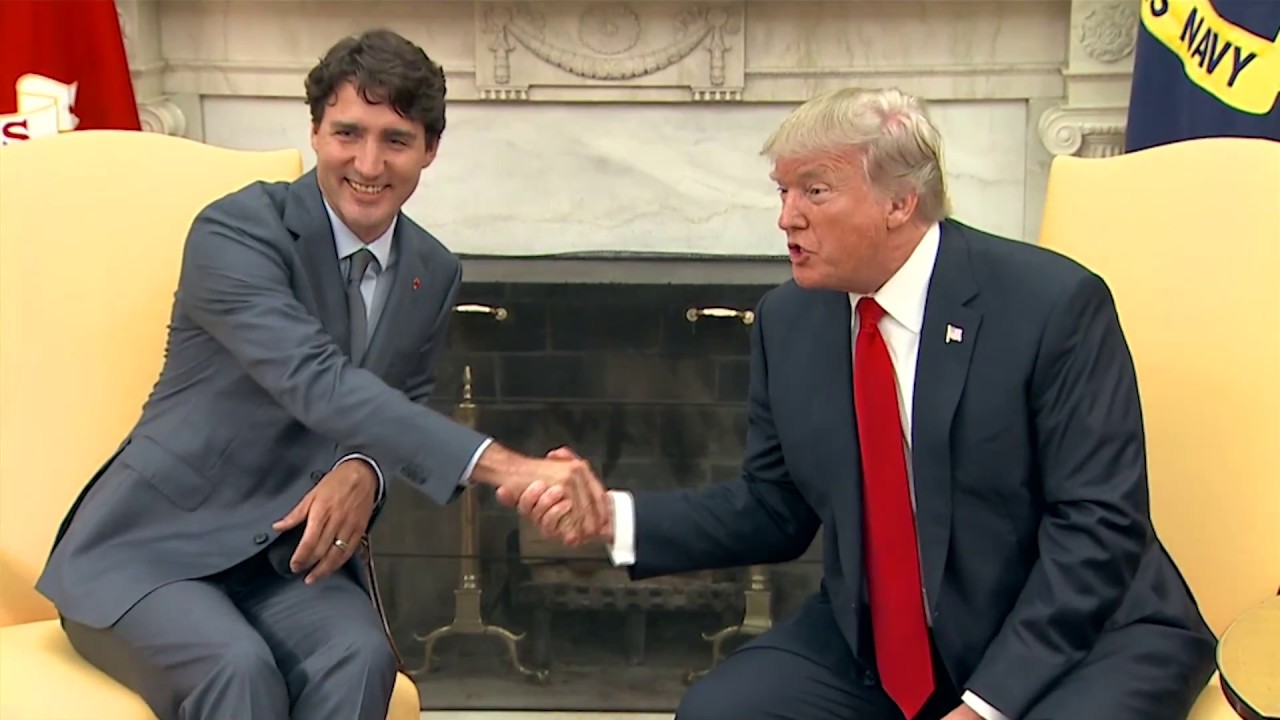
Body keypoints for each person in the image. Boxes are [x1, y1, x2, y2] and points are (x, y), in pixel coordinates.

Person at [505, 87, 1217, 720]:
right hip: (889, 645)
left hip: (1081, 636)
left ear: (899, 202)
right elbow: (773, 508)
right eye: (782, 192)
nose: (787, 218)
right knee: (721, 710)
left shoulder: (1052, 306)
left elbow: (1097, 529)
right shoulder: (790, 320)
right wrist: (611, 517)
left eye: (814, 192)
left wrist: (986, 705)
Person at [35, 29, 606, 720]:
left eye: (396, 140)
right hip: (149, 551)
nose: (368, 163)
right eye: (347, 133)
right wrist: (509, 468)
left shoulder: (433, 269)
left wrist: (364, 468)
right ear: (314, 132)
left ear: (430, 149)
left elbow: (400, 402)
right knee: (236, 669)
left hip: (287, 559)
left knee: (360, 658)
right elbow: (315, 380)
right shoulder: (236, 231)